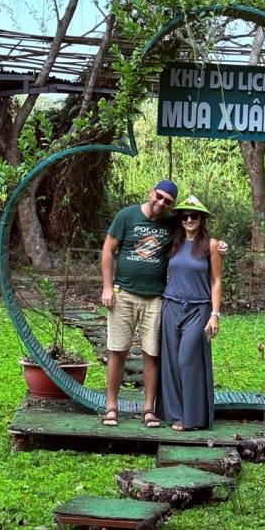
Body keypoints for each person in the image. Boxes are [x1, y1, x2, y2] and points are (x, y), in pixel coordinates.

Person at [100, 179, 179, 428]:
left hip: (155, 297)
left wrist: (217, 245)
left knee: (151, 354)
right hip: (123, 294)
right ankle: (111, 407)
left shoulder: (171, 223)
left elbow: (195, 233)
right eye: (159, 196)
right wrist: (107, 287)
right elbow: (107, 250)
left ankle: (148, 410)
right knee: (117, 351)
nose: (161, 203)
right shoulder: (127, 216)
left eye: (167, 201)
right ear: (151, 192)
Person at [156, 194, 221, 431]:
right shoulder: (174, 242)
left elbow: (216, 281)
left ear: (202, 219)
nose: (189, 220)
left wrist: (215, 314)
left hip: (199, 309)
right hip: (172, 306)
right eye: (185, 216)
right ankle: (175, 414)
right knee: (171, 362)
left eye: (194, 216)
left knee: (187, 360)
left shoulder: (211, 245)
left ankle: (193, 417)